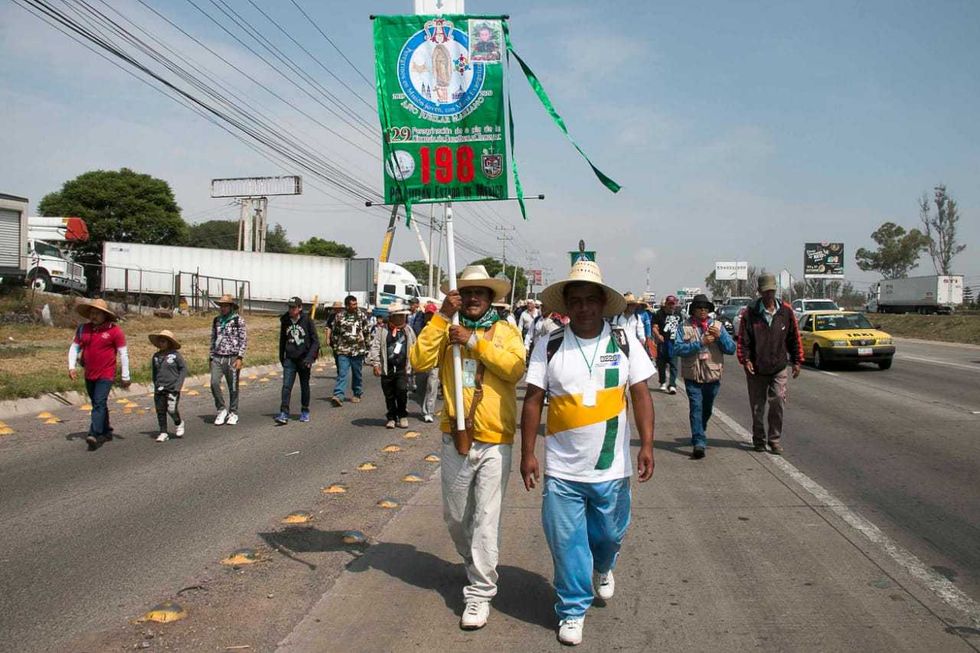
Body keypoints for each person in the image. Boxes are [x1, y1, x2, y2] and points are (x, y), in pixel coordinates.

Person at [520, 260, 655, 646]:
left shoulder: (624, 340)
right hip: (562, 469)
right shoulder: (551, 343)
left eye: (590, 300)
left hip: (611, 469)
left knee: (609, 536)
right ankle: (572, 608)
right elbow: (533, 400)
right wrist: (528, 453)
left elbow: (641, 395)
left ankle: (605, 566)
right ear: (566, 305)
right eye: (575, 300)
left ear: (602, 303)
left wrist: (646, 444)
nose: (583, 308)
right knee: (566, 543)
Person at [409, 265, 526, 630]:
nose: (474, 297)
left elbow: (515, 368)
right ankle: (471, 559)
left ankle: (479, 593)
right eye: (467, 292)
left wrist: (475, 343)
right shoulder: (445, 328)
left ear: (492, 298)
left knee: (486, 519)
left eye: (481, 292)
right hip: (456, 436)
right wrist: (442, 318)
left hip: (495, 439)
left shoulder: (506, 330)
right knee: (458, 517)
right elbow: (418, 361)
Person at [737, 274, 803, 455]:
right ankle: (759, 439)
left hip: (778, 366)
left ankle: (774, 440)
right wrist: (746, 360)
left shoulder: (786, 312)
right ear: (759, 292)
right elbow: (743, 340)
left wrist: (797, 361)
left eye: (772, 291)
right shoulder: (750, 313)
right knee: (758, 406)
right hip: (757, 368)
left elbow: (794, 338)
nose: (769, 295)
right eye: (765, 292)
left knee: (778, 401)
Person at [673, 294, 736, 459]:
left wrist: (720, 336)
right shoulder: (684, 326)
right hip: (692, 375)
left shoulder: (717, 326)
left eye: (705, 308)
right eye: (699, 308)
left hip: (712, 375)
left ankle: (701, 427)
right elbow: (678, 349)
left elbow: (731, 349)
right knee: (696, 407)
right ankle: (699, 442)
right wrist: (700, 342)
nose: (702, 311)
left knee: (706, 408)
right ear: (693, 310)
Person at [68, 299, 131, 451]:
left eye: (97, 313)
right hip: (89, 373)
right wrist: (71, 366)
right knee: (98, 403)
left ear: (105, 315)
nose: (94, 316)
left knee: (99, 402)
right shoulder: (84, 329)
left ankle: (94, 434)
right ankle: (107, 430)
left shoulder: (114, 331)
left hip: (106, 374)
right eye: (92, 313)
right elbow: (74, 347)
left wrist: (125, 375)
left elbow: (123, 353)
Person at [369, 302, 417, 429]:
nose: (401, 318)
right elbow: (375, 347)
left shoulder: (408, 330)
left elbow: (415, 347)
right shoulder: (382, 330)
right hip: (387, 368)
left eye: (403, 315)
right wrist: (376, 364)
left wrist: (414, 364)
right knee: (389, 394)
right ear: (391, 317)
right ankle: (391, 417)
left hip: (402, 368)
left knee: (402, 391)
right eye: (398, 316)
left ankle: (402, 415)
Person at [276, 297, 320, 425]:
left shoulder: (307, 320)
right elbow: (282, 340)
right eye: (289, 307)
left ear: (300, 308)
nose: (291, 310)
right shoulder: (285, 320)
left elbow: (315, 341)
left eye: (293, 307)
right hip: (290, 359)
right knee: (286, 386)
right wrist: (282, 357)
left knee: (304, 386)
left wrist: (310, 357)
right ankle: (284, 412)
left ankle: (305, 410)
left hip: (304, 359)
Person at [209, 294, 247, 426]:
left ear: (231, 307)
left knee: (233, 387)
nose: (223, 308)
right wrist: (211, 356)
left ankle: (233, 412)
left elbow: (243, 340)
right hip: (218, 357)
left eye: (225, 305)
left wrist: (240, 357)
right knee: (214, 383)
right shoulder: (216, 321)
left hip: (232, 357)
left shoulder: (238, 320)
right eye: (221, 306)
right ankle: (221, 409)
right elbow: (213, 338)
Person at [330, 295, 371, 407]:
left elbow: (367, 332)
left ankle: (357, 393)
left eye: (356, 304)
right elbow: (335, 333)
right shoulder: (340, 316)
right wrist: (335, 346)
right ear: (347, 305)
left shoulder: (361, 316)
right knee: (342, 373)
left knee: (357, 374)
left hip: (358, 351)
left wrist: (368, 348)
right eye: (353, 304)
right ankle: (338, 395)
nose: (355, 306)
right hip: (343, 350)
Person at [149, 329, 187, 443]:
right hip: (159, 387)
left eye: (164, 341)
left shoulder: (176, 356)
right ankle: (163, 432)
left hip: (172, 388)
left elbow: (183, 369)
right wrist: (155, 384)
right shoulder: (156, 356)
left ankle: (178, 422)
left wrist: (178, 386)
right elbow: (155, 372)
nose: (161, 343)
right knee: (160, 410)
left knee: (171, 409)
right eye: (160, 341)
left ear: (169, 342)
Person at [651, 295, 681, 394]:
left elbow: (682, 327)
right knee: (661, 364)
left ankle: (672, 385)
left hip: (674, 343)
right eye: (669, 304)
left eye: (673, 304)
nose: (671, 306)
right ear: (666, 304)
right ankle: (662, 382)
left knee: (673, 365)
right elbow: (654, 327)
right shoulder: (659, 314)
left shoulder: (678, 314)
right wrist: (658, 335)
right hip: (663, 343)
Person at [420, 302, 440, 423]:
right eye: (427, 314)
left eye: (431, 314)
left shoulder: (438, 327)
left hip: (435, 362)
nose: (429, 316)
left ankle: (429, 412)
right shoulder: (419, 326)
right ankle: (424, 409)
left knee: (432, 387)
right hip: (422, 362)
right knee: (422, 387)